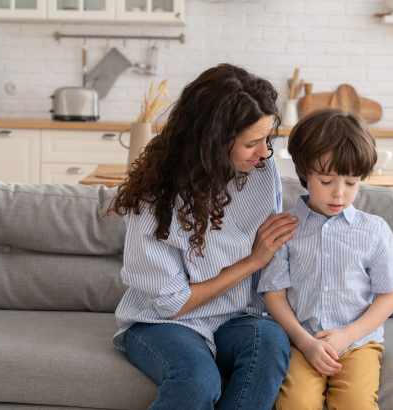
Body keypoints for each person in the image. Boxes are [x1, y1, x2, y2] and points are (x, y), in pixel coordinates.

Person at [111, 63, 298, 410]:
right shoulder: (155, 198)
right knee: (198, 380)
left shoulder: (260, 171)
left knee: (270, 343)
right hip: (162, 323)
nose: (265, 153)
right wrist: (253, 261)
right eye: (252, 143)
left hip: (237, 318)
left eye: (267, 139)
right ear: (212, 142)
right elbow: (173, 303)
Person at [257, 109, 393, 410]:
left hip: (357, 344)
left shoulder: (373, 230)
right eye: (327, 181)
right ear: (305, 173)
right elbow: (274, 296)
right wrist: (306, 342)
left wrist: (346, 336)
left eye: (351, 183)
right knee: (296, 405)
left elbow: (388, 297)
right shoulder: (285, 228)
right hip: (301, 342)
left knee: (355, 404)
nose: (339, 194)